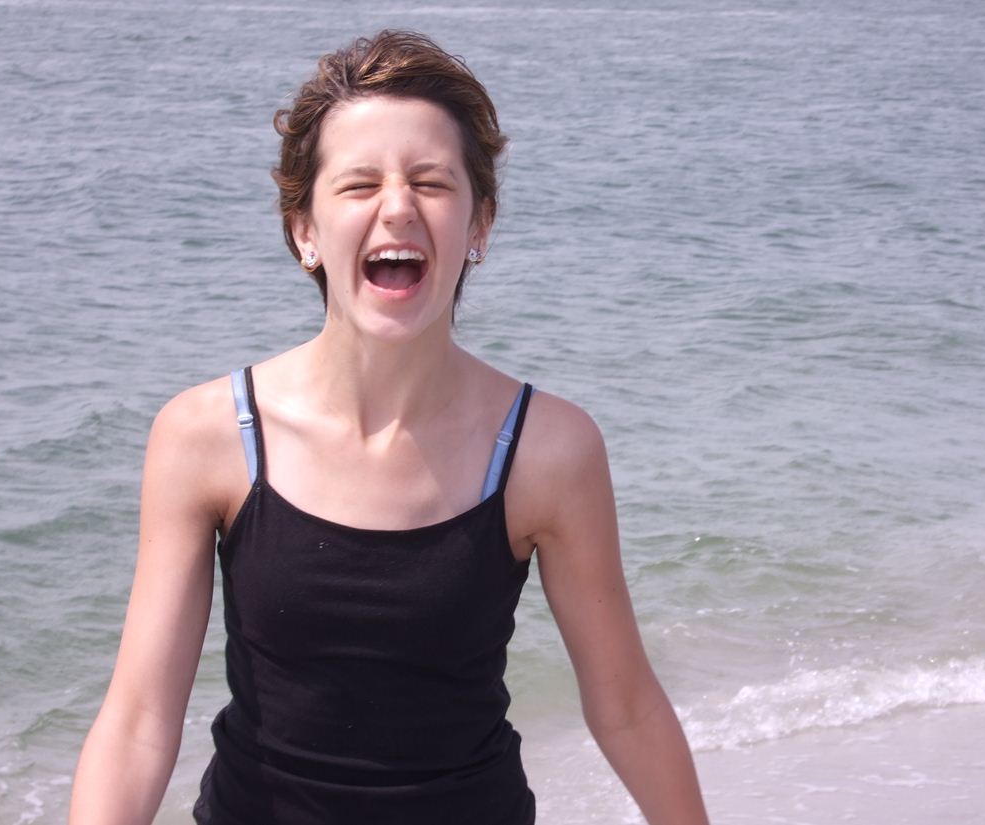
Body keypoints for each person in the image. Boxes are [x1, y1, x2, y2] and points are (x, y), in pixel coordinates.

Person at [69, 30, 709, 825]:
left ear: (479, 224)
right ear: (304, 229)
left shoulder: (548, 449)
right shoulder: (210, 435)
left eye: (432, 182)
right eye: (360, 184)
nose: (398, 206)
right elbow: (137, 723)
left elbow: (627, 707)